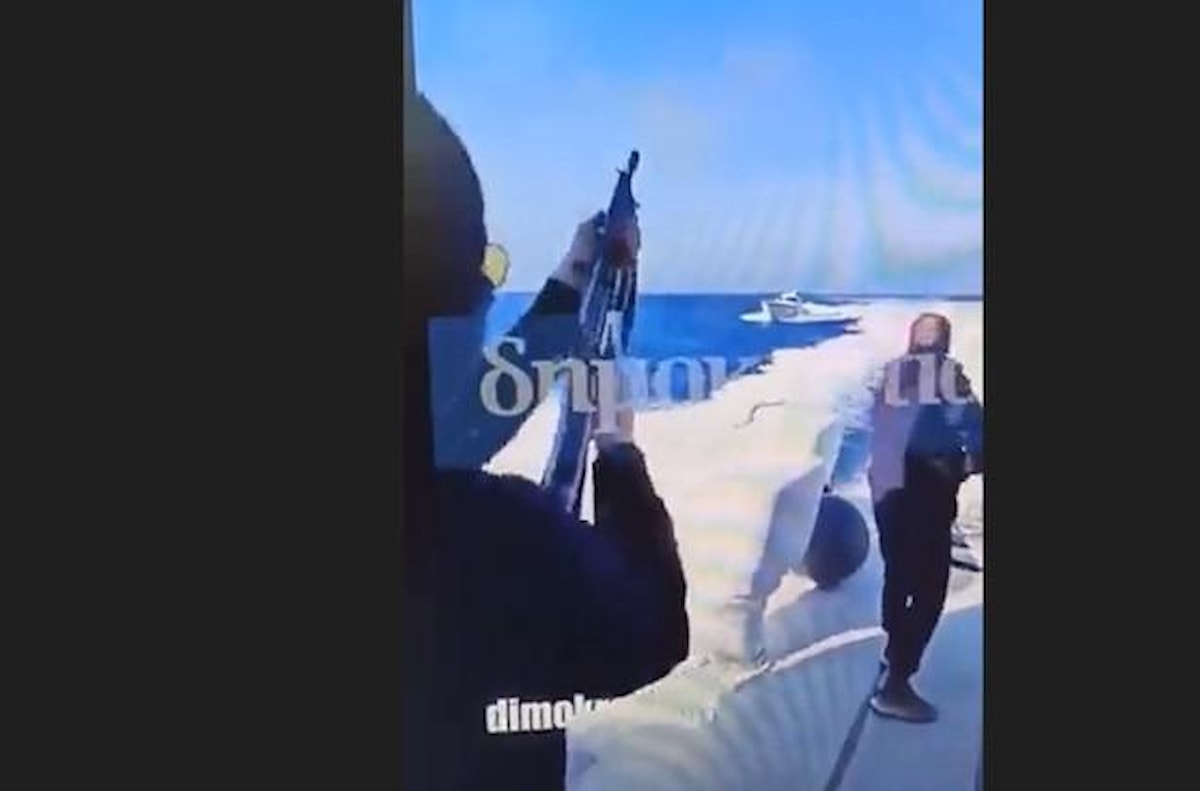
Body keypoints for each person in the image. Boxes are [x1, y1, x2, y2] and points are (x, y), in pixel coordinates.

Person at [402, 92, 689, 790]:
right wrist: (618, 453)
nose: (482, 294)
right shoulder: (492, 537)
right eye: (481, 276)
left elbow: (452, 420)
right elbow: (649, 629)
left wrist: (571, 282)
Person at [866, 312, 983, 723]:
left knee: (898, 575)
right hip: (924, 491)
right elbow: (976, 434)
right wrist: (967, 464)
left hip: (884, 487)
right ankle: (896, 686)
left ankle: (892, 649)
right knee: (931, 588)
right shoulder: (949, 376)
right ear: (945, 342)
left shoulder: (890, 373)